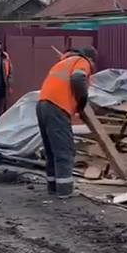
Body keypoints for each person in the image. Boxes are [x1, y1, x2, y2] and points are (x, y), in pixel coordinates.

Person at [36, 46, 95, 198]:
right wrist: (82, 100)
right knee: (64, 149)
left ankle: (53, 187)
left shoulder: (63, 63)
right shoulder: (82, 61)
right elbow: (77, 78)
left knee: (51, 150)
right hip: (58, 106)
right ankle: (65, 191)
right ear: (91, 59)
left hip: (43, 105)